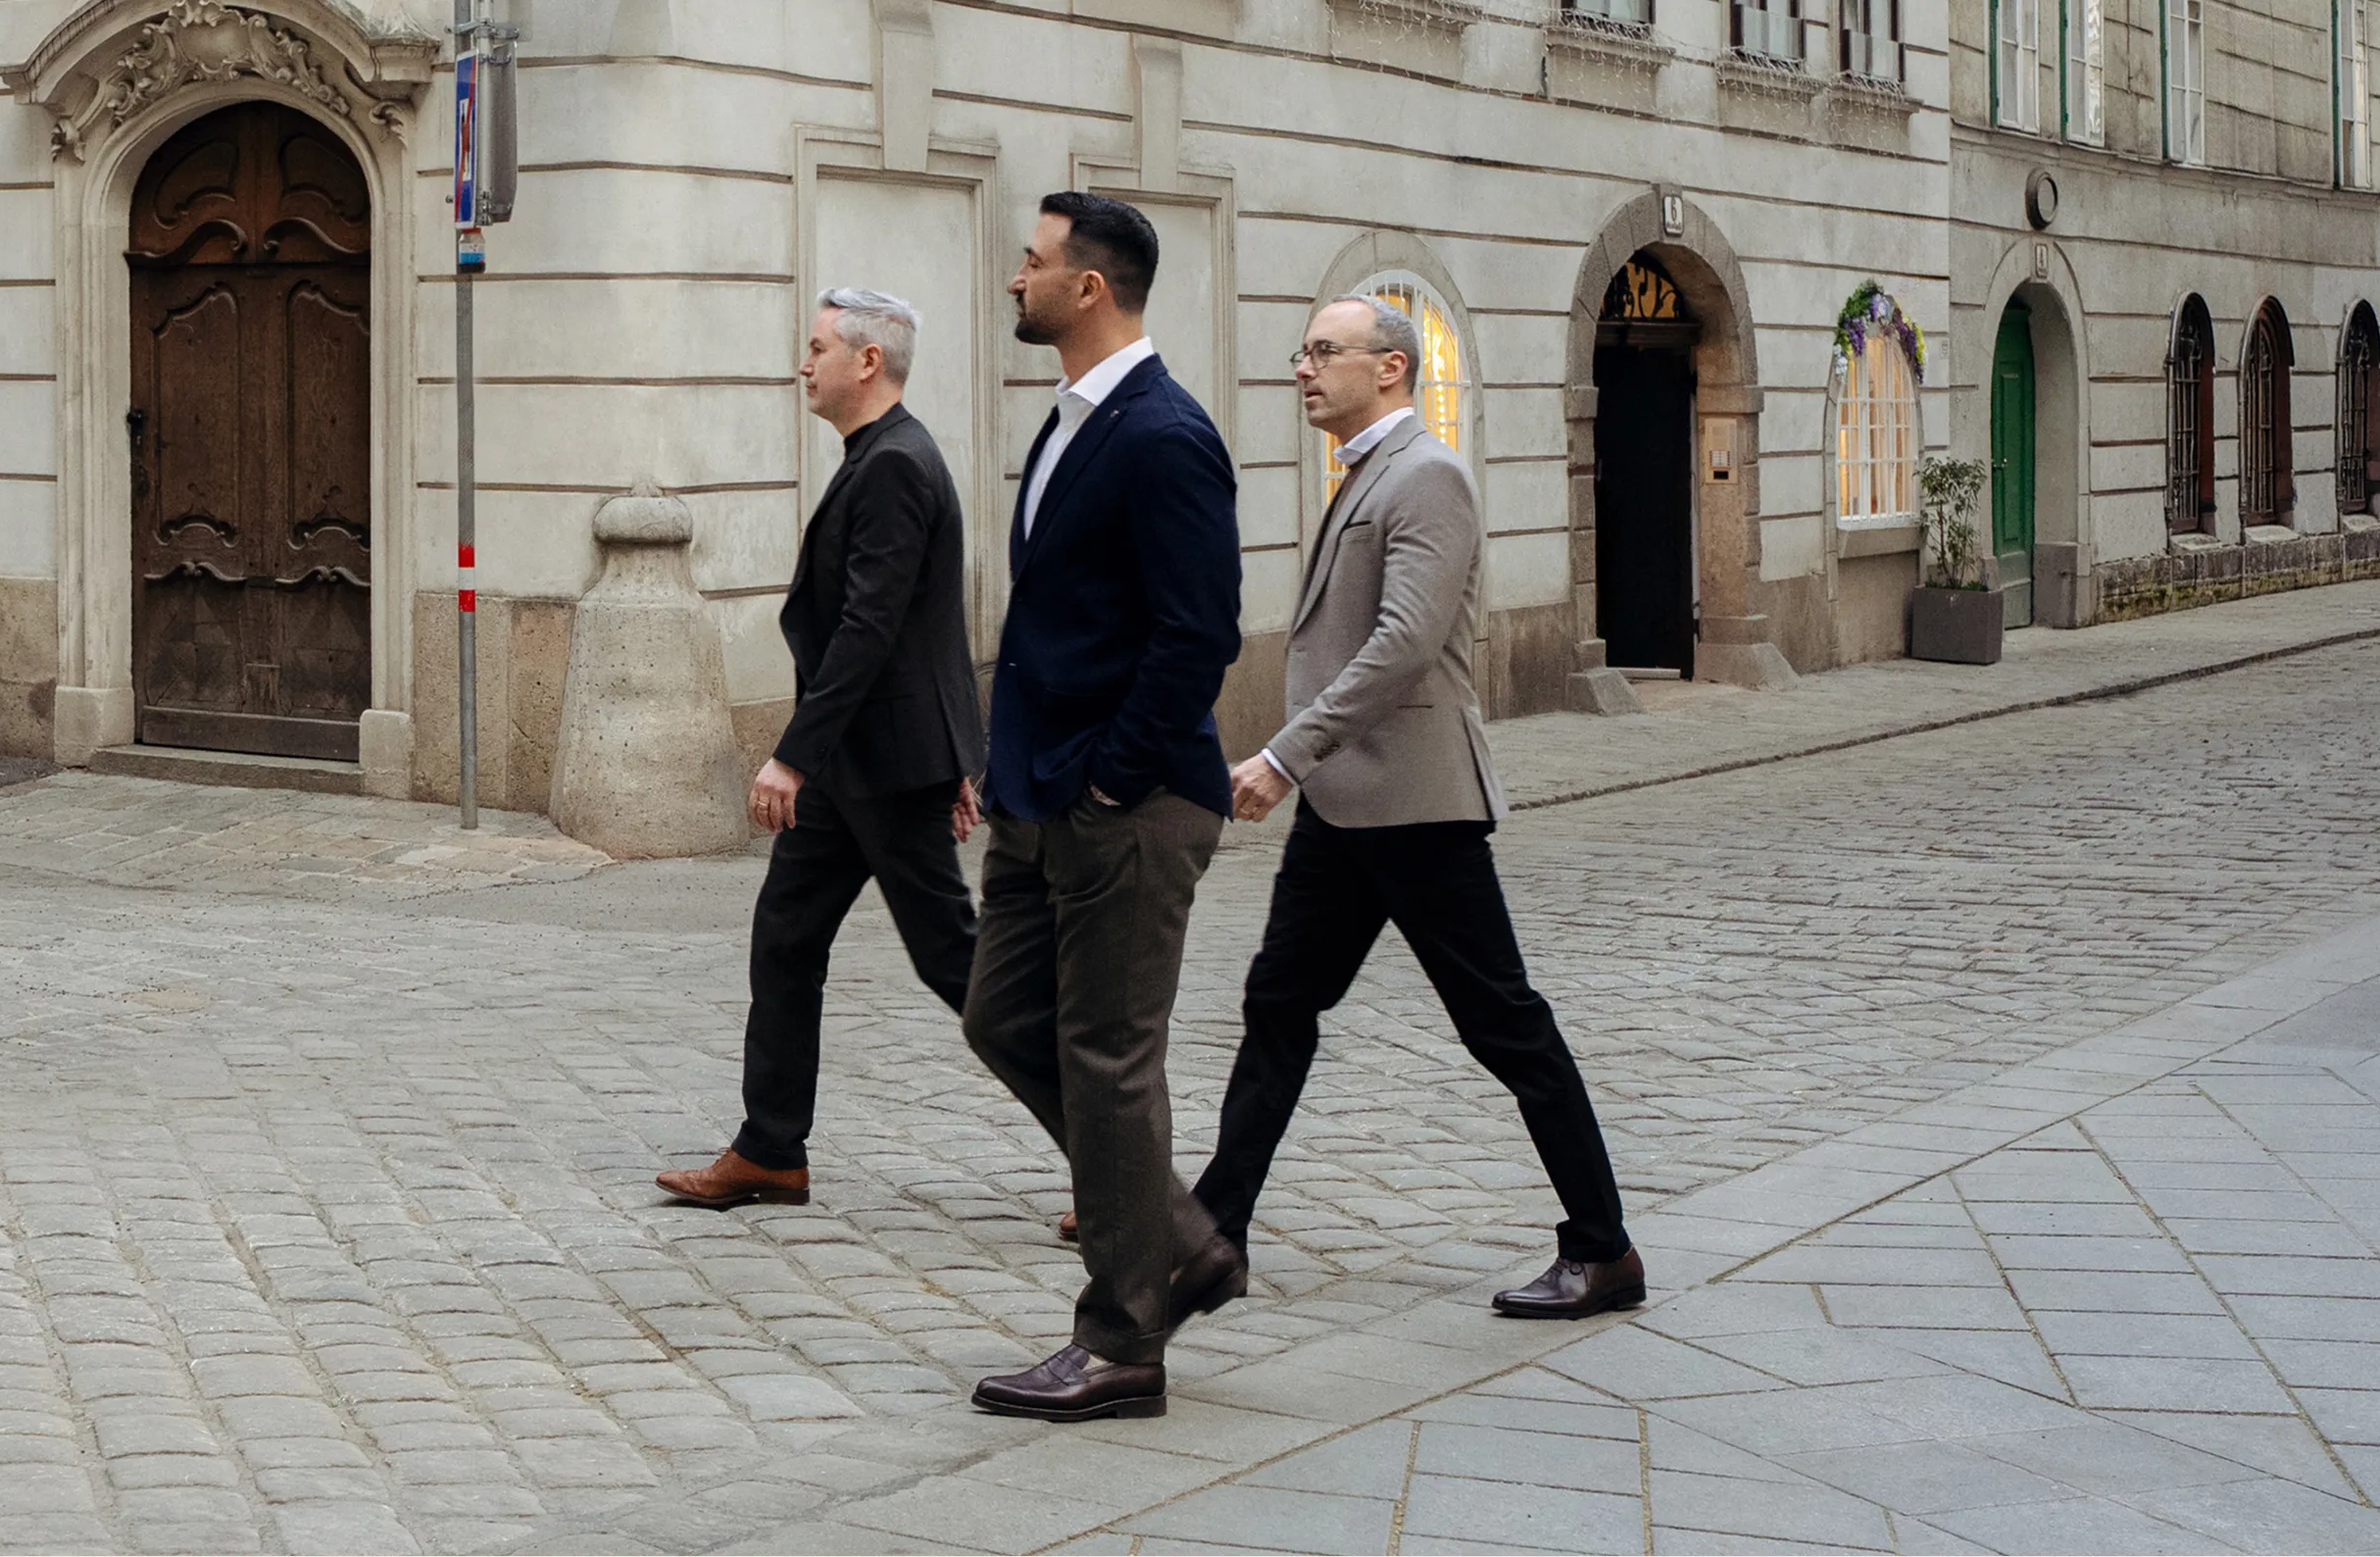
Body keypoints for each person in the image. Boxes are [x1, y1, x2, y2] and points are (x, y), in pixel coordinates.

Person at [1201, 295, 1645, 1321]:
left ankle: (1604, 1249)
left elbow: (1402, 644)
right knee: (1278, 1004)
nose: (1304, 367)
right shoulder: (1367, 471)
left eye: (1324, 351)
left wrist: (1285, 754)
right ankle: (1213, 1234)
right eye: (1303, 351)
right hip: (1346, 804)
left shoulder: (1427, 475)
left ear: (1389, 367)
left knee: (1503, 1024)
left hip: (1418, 805)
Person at [960, 192, 1246, 1423]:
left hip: (1124, 804)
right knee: (1001, 1017)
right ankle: (1177, 1237)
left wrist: (1112, 778)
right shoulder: (1073, 419)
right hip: (1039, 793)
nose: (1013, 278)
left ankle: (1125, 1341)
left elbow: (1199, 635)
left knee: (1110, 1060)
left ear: (1087, 287)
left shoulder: (1165, 433)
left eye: (1030, 262)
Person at [655, 289, 986, 1211]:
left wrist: (794, 757)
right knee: (786, 938)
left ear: (867, 361)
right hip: (854, 768)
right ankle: (770, 1149)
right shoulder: (879, 456)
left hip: (883, 767)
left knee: (958, 965)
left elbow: (873, 629)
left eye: (816, 348)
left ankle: (1109, 1159)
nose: (803, 365)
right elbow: (925, 625)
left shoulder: (896, 464)